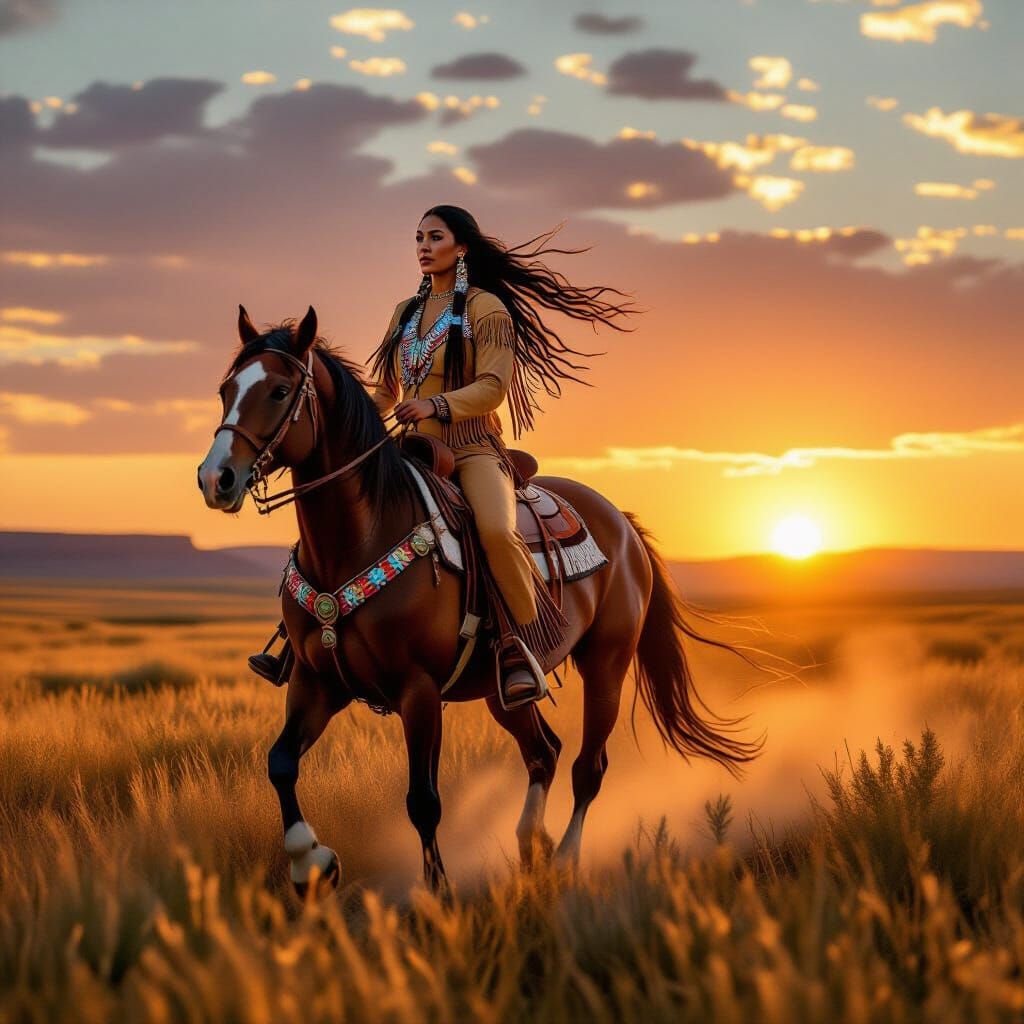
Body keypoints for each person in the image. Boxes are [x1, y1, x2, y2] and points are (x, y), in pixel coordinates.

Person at [250, 205, 635, 706]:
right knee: (336, 512)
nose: (424, 247)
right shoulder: (404, 314)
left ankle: (521, 646)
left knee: (496, 531)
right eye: (418, 238)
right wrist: (356, 420)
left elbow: (494, 387)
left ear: (463, 248)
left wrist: (436, 404)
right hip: (406, 448)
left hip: (472, 450)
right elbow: (387, 388)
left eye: (435, 237)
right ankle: (298, 640)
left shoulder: (487, 310)